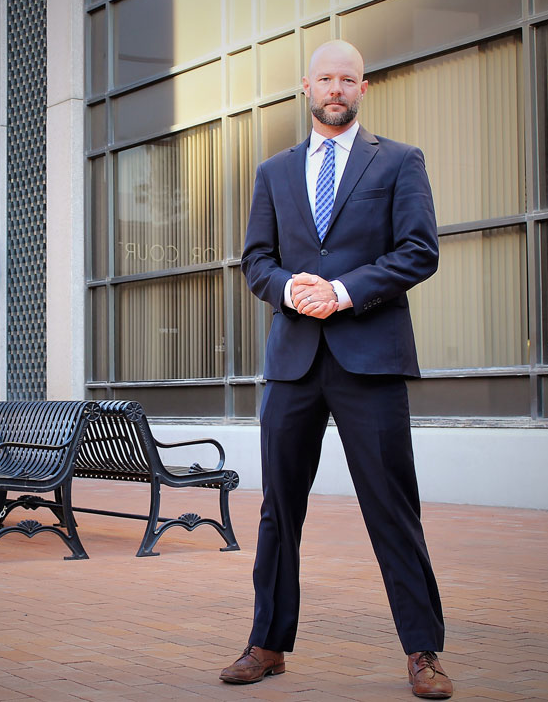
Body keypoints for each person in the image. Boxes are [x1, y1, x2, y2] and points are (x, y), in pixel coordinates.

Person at [219, 39, 453, 699]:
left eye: (347, 79)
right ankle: (267, 643)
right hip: (294, 362)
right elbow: (256, 261)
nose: (336, 88)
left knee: (392, 508)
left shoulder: (400, 161)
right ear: (306, 86)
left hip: (369, 358)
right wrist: (294, 290)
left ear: (363, 87)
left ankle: (423, 651)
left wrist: (342, 291)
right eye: (326, 77)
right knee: (278, 510)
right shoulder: (274, 172)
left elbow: (419, 250)